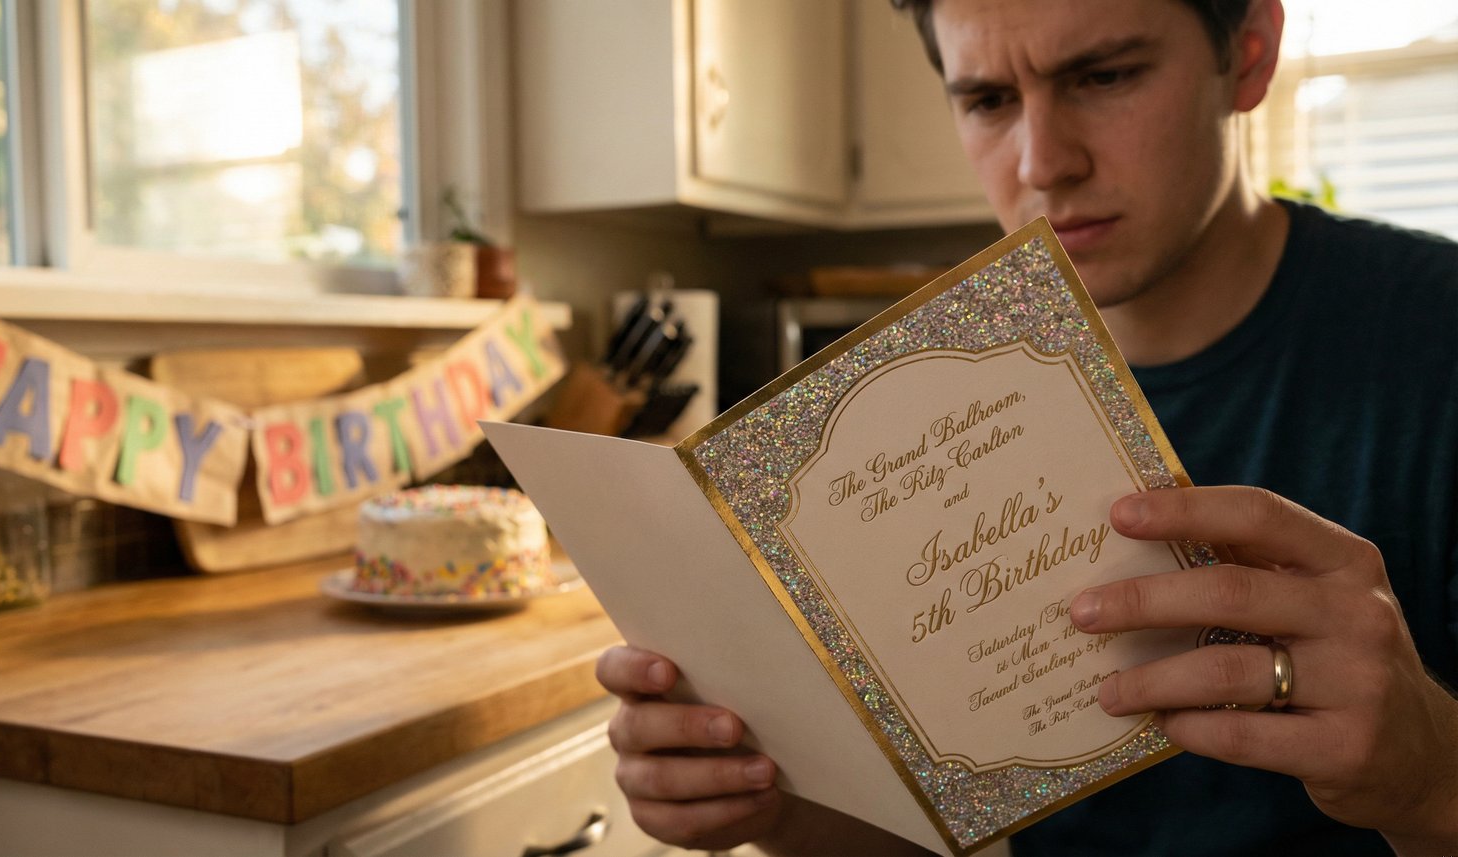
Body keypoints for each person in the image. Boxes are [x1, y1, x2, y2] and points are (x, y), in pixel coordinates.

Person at [595, 0, 1458, 854]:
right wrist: (767, 800)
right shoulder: (907, 424)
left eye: (1105, 74)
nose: (1043, 163)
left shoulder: (1434, 336)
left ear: (1252, 54)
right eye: (987, 101)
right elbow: (963, 829)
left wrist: (1433, 780)